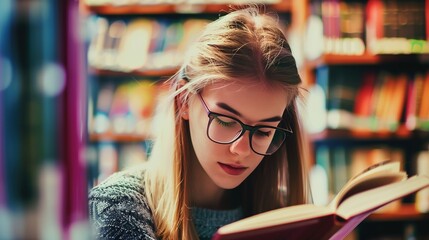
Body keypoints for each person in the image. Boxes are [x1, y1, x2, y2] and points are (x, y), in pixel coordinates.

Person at [89, 6, 309, 240]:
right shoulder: (118, 206)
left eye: (264, 131)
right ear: (184, 101)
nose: (241, 150)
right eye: (225, 122)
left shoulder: (284, 211)